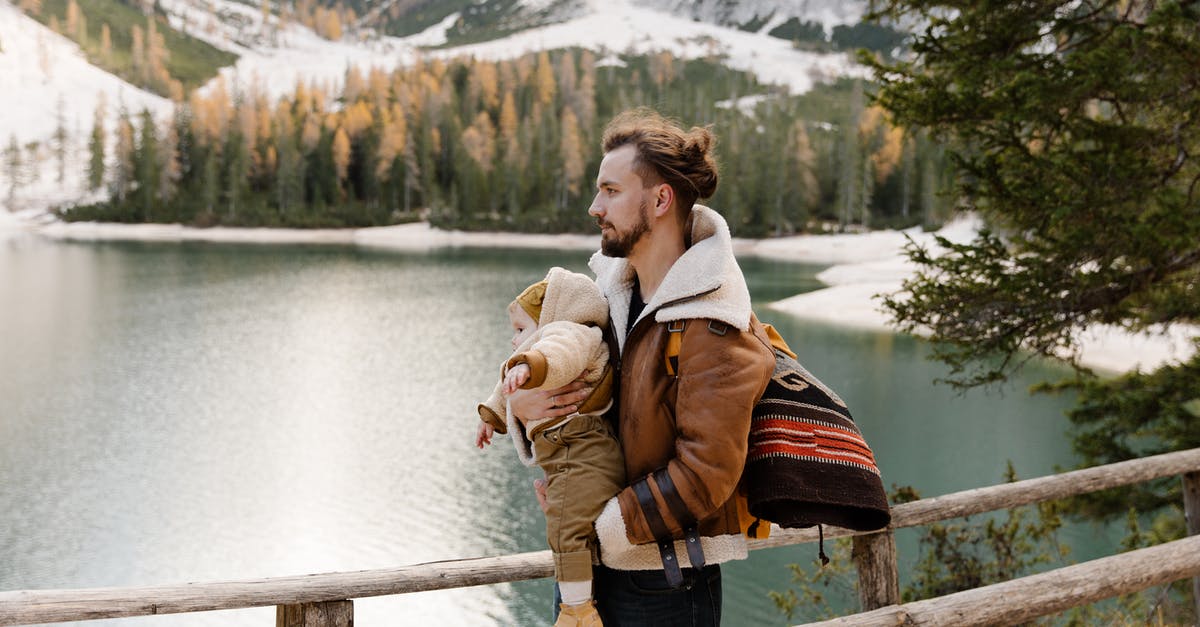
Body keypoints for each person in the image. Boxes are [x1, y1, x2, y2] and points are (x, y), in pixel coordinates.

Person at [510, 109, 777, 625]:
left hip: (666, 584)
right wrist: (526, 410)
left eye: (610, 190)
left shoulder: (715, 319)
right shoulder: (607, 297)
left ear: (659, 200)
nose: (594, 207)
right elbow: (586, 391)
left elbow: (707, 473)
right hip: (590, 572)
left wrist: (606, 523)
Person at [474, 266, 626, 627]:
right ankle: (579, 603)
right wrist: (491, 417)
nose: (516, 341)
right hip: (567, 455)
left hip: (583, 451)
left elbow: (561, 354)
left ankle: (577, 610)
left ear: (553, 318)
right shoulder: (533, 354)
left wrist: (531, 366)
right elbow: (505, 391)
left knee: (564, 528)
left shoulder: (574, 335)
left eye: (522, 330)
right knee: (571, 526)